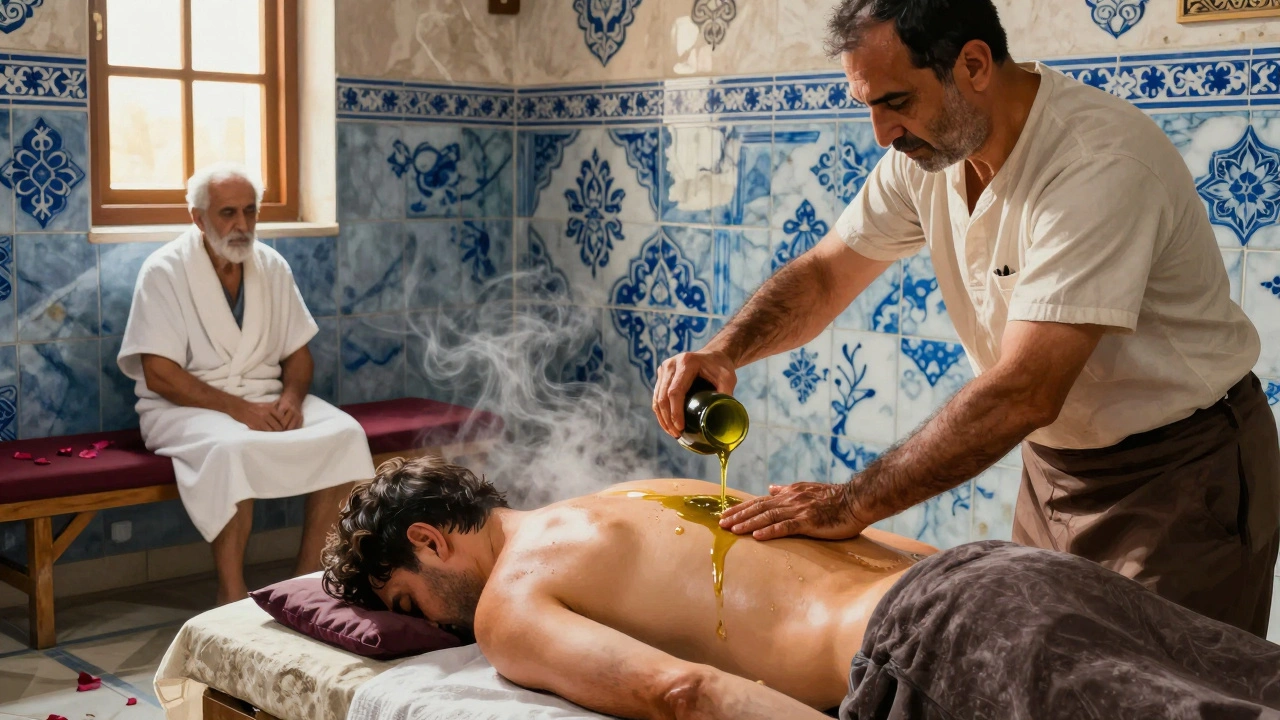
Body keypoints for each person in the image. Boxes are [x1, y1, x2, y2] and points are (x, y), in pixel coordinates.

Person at [652, 0, 1280, 637]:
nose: (882, 133)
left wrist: (851, 503)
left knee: (1159, 695)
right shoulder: (927, 157)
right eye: (868, 105)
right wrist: (725, 350)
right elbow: (824, 275)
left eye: (896, 101)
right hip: (1054, 470)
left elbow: (1025, 389)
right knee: (1037, 677)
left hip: (1181, 478)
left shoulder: (1097, 161)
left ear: (974, 64)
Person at [322, 456, 1280, 720]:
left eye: (408, 602)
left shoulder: (507, 604)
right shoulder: (645, 490)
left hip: (942, 635)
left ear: (429, 540)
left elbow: (681, 692)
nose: (430, 627)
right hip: (1000, 569)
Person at [118, 163, 376, 604]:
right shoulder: (163, 271)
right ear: (198, 218)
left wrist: (291, 398)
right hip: (181, 410)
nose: (241, 225)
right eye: (228, 213)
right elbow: (159, 373)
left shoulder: (271, 265)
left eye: (250, 212)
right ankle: (231, 592)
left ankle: (307, 581)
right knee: (231, 449)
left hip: (265, 398)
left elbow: (297, 353)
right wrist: (240, 410)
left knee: (346, 435)